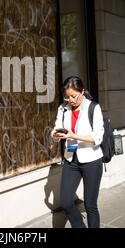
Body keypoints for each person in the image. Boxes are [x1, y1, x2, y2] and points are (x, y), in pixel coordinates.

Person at [50, 76, 104, 228]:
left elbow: (97, 137)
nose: (71, 100)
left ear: (83, 91)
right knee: (66, 201)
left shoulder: (93, 107)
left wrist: (73, 135)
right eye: (67, 97)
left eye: (74, 96)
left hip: (91, 161)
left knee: (90, 204)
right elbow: (56, 128)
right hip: (70, 159)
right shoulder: (63, 108)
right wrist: (55, 135)